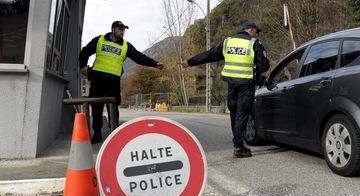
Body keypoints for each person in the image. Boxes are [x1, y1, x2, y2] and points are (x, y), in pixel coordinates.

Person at [182, 21, 270, 158]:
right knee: (242, 113)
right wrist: (255, 68)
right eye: (256, 31)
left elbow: (209, 55)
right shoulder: (254, 43)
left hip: (231, 84)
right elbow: (264, 66)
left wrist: (190, 62)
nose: (256, 33)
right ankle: (239, 146)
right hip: (246, 83)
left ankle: (237, 142)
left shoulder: (227, 42)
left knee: (234, 111)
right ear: (251, 30)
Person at [79, 20, 164, 144]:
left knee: (113, 108)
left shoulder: (125, 45)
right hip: (97, 79)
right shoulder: (100, 40)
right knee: (96, 108)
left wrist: (155, 63)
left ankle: (114, 134)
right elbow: (85, 51)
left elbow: (139, 57)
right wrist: (83, 66)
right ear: (113, 29)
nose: (122, 32)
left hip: (113, 82)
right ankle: (97, 133)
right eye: (120, 29)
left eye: (123, 30)